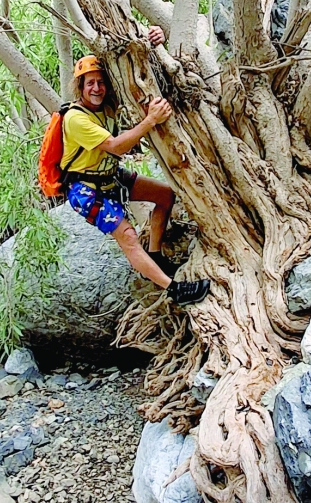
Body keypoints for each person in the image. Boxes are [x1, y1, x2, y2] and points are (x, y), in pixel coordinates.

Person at [61, 37, 211, 307]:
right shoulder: (75, 118)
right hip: (86, 190)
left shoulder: (106, 106)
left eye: (100, 81)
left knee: (165, 196)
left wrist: (153, 39)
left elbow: (138, 70)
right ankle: (173, 290)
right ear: (80, 87)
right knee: (128, 237)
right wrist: (151, 119)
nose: (96, 88)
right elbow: (116, 146)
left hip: (110, 177)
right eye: (89, 83)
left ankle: (155, 256)